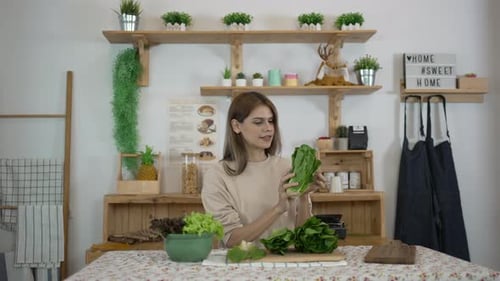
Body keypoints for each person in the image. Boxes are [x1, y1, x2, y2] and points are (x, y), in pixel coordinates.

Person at [201, 91, 325, 248]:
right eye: (258, 122)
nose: (268, 128)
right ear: (236, 126)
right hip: (242, 265)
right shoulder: (218, 175)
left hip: (287, 263)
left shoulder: (287, 167)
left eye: (271, 121)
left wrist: (304, 196)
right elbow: (231, 239)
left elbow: (303, 236)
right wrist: (278, 209)